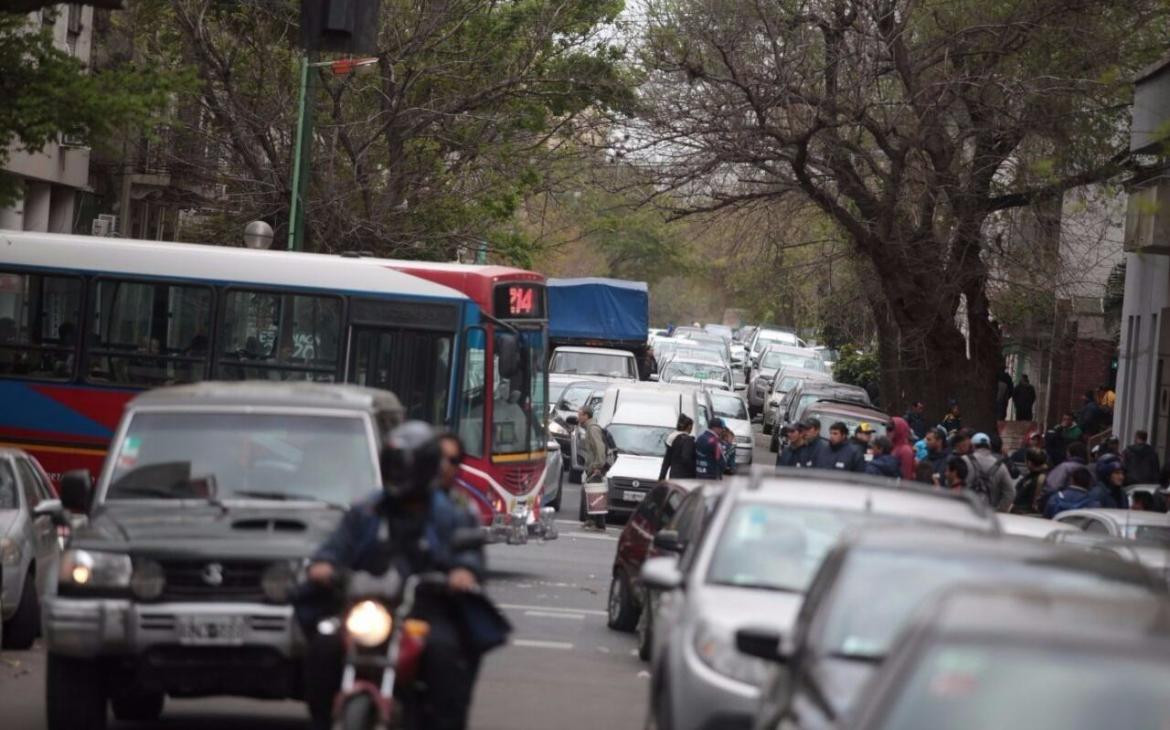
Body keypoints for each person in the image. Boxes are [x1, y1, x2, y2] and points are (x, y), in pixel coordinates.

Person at [299, 422, 490, 730]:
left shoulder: (451, 512)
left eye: (407, 465)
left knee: (446, 654)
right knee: (324, 644)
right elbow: (336, 546)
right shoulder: (367, 509)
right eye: (395, 464)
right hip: (366, 607)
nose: (400, 473)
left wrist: (462, 571)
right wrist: (324, 565)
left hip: (425, 611)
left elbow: (467, 550)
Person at [964, 432, 1015, 512]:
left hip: (966, 511)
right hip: (989, 514)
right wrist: (999, 511)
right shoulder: (1001, 466)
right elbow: (1010, 492)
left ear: (972, 446)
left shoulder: (964, 461)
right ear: (989, 446)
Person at [578, 405, 609, 531]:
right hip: (592, 466)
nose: (578, 417)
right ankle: (592, 521)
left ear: (586, 416)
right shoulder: (589, 428)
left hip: (595, 467)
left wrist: (598, 466)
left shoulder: (592, 429)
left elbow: (600, 448)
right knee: (591, 493)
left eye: (579, 414)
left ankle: (599, 524)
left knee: (595, 494)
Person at [1040, 441, 1090, 512]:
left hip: (1061, 506)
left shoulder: (1064, 467)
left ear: (1069, 453)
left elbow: (1052, 486)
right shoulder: (1088, 468)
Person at [659, 414, 696, 480]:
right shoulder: (688, 440)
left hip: (673, 475)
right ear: (689, 426)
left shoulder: (672, 439)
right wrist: (694, 470)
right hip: (685, 476)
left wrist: (662, 477)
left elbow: (666, 461)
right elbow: (686, 458)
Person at [1013, 449, 1049, 515]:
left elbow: (1019, 497)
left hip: (1026, 515)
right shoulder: (1045, 474)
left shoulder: (1034, 479)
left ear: (1029, 462)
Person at [888, 416, 917, 481]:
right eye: (887, 428)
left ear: (900, 430)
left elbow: (906, 478)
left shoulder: (905, 451)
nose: (888, 431)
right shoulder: (892, 446)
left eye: (891, 428)